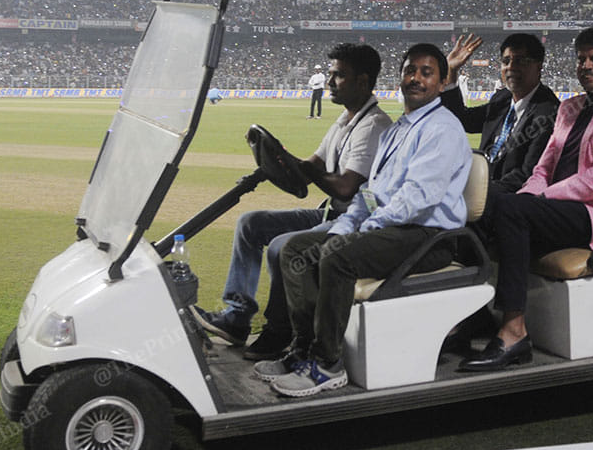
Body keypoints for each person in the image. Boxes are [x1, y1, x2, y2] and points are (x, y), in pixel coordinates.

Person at [257, 43, 473, 397]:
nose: (415, 78)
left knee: (338, 256)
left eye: (426, 72)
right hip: (393, 229)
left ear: (442, 80)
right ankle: (304, 349)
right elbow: (372, 193)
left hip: (427, 236)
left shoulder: (442, 129)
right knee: (296, 250)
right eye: (410, 71)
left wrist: (366, 228)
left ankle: (327, 364)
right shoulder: (396, 130)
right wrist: (346, 225)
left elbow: (418, 199)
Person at [459, 27, 593, 372]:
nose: (586, 65)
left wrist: (539, 199)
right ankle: (478, 314)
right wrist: (529, 195)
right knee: (481, 208)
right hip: (559, 209)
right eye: (581, 58)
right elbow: (543, 167)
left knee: (510, 210)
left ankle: (513, 332)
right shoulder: (569, 108)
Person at [191, 43, 392, 359]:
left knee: (281, 245)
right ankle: (236, 317)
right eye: (330, 75)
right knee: (251, 224)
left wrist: (288, 162)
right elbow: (312, 165)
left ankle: (280, 331)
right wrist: (276, 157)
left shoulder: (374, 127)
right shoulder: (345, 121)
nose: (329, 82)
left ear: (363, 82)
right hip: (329, 213)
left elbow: (345, 187)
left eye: (338, 76)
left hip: (352, 220)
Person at [440, 33, 560, 194]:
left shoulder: (549, 112)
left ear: (538, 67)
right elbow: (465, 120)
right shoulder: (502, 98)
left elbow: (527, 174)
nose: (511, 67)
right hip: (480, 184)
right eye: (506, 61)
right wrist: (451, 71)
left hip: (507, 200)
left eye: (520, 61)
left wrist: (479, 192)